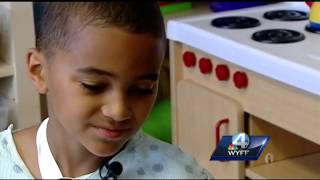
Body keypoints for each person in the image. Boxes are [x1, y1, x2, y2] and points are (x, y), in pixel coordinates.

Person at [0, 2, 213, 179]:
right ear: (39, 71)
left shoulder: (180, 174)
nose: (119, 111)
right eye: (94, 86)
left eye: (142, 89)